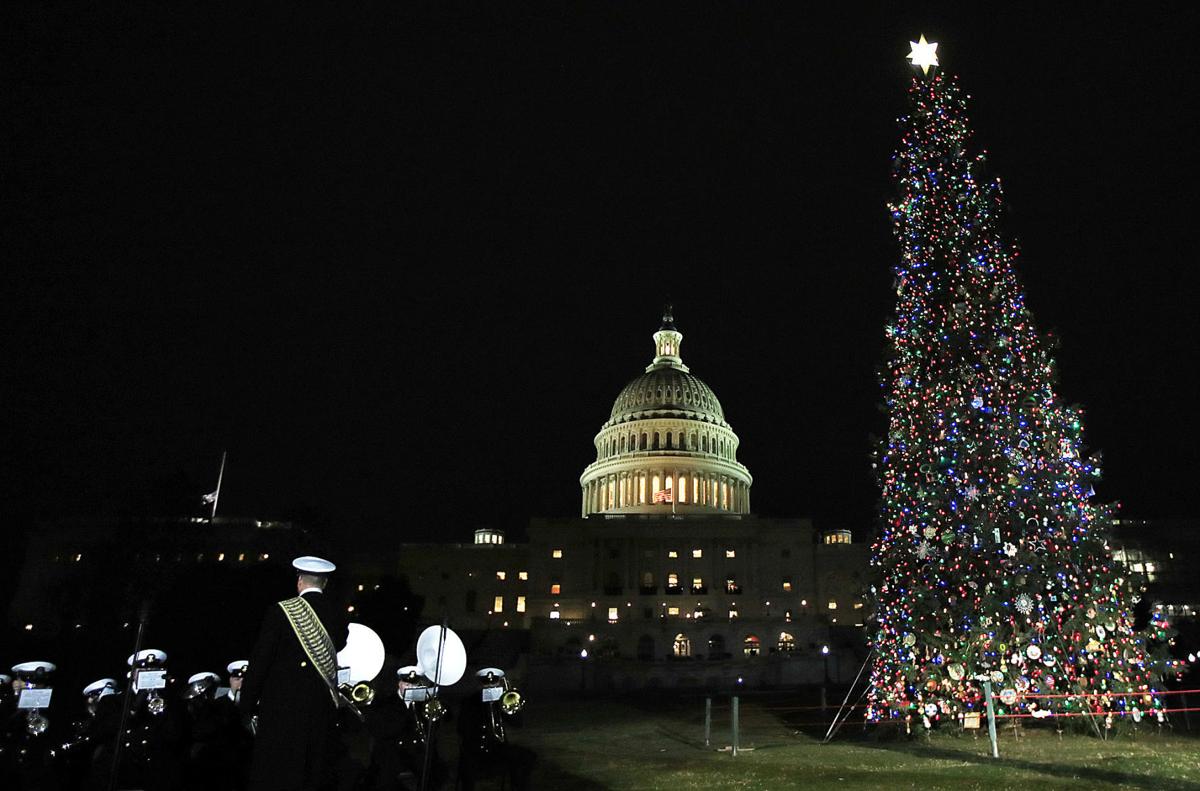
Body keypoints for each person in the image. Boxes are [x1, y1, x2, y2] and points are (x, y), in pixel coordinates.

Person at [239, 555, 348, 791]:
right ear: (324, 583)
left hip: (282, 708)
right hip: (319, 709)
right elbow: (338, 645)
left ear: (299, 581)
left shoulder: (280, 612)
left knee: (277, 772)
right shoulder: (337, 614)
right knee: (313, 772)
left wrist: (246, 705)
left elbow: (261, 662)